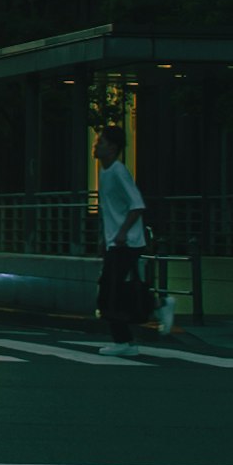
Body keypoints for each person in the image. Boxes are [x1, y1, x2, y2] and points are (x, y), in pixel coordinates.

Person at [95, 131, 153, 345]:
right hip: (116, 242)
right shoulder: (104, 171)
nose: (96, 146)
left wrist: (121, 233)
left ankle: (124, 342)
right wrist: (105, 237)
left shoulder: (119, 171)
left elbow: (137, 205)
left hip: (127, 242)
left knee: (111, 291)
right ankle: (124, 340)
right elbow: (108, 210)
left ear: (112, 147)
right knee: (114, 290)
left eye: (101, 142)